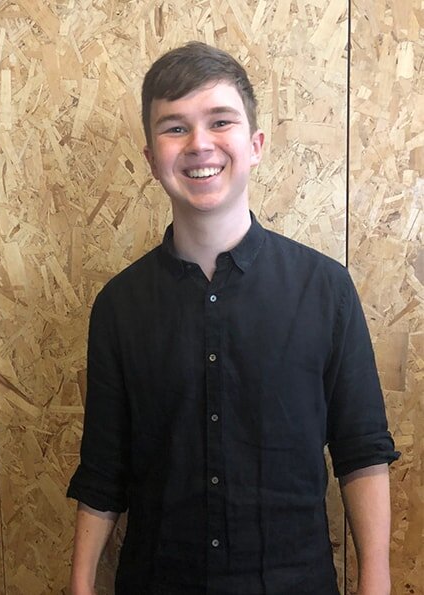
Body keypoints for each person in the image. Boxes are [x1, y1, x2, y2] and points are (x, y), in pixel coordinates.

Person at [67, 42, 399, 595]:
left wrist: (377, 584)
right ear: (151, 158)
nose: (199, 144)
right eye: (174, 127)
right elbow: (103, 470)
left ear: (256, 144)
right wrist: (79, 586)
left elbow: (362, 452)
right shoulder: (119, 306)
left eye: (220, 121)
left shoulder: (326, 290)